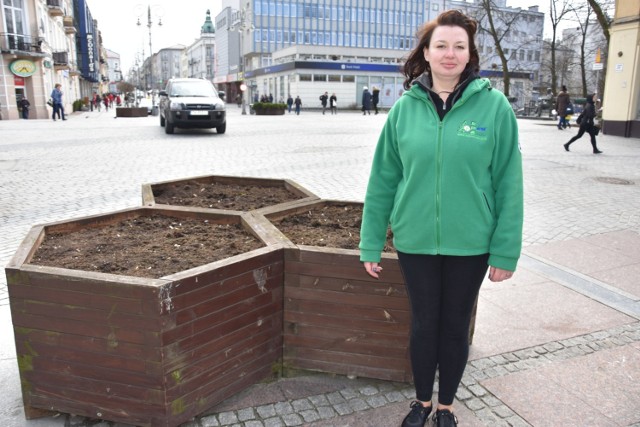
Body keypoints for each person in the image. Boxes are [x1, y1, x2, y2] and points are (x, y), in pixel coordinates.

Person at [359, 9, 523, 427]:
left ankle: (446, 405)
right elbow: (383, 180)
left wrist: (505, 252)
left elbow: (509, 183)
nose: (450, 54)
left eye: (459, 47)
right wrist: (371, 240)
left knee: (454, 326)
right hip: (415, 240)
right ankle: (421, 402)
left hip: (471, 243)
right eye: (441, 46)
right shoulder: (404, 110)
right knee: (424, 324)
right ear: (426, 54)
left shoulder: (495, 107)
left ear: (470, 55)